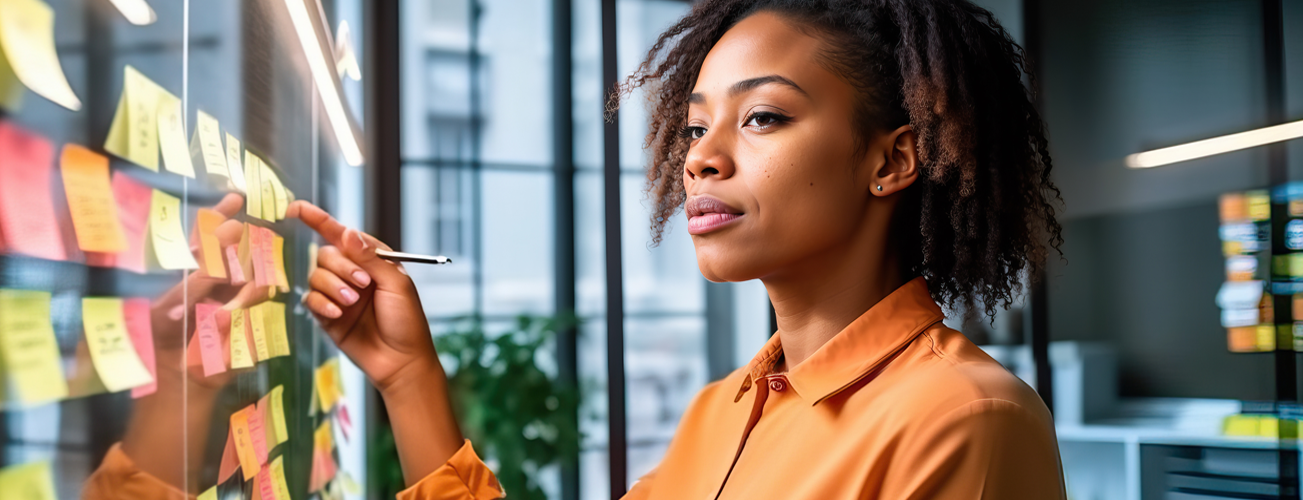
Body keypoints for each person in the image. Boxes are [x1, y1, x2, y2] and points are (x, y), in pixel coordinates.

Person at [295, 0, 1066, 498]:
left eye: (762, 117)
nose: (699, 159)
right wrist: (407, 377)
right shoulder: (720, 411)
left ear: (891, 161)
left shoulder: (966, 419)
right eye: (696, 127)